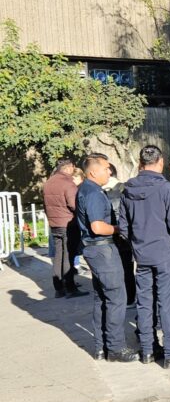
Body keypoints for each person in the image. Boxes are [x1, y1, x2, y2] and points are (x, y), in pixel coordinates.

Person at [119, 145, 170, 369]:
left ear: (140, 162)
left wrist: (138, 245)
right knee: (168, 304)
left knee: (145, 302)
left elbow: (123, 226)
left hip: (143, 255)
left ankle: (148, 348)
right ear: (161, 162)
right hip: (166, 254)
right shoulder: (166, 189)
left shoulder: (128, 190)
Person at [76, 153, 137, 362]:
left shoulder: (88, 189)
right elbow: (97, 226)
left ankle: (102, 347)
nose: (109, 172)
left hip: (96, 250)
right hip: (102, 250)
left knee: (101, 298)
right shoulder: (92, 192)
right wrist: (118, 228)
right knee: (116, 298)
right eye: (106, 168)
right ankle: (116, 348)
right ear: (93, 171)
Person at [43, 159, 88, 298]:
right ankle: (70, 287)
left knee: (59, 255)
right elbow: (75, 205)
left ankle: (59, 288)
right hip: (68, 223)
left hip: (54, 224)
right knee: (69, 255)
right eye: (73, 168)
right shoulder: (68, 183)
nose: (73, 171)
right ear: (68, 168)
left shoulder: (48, 182)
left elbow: (45, 206)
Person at [102, 164, 135, 308]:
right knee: (127, 269)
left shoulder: (99, 192)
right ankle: (130, 298)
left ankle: (116, 298)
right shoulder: (125, 189)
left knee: (111, 271)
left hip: (107, 236)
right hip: (124, 235)